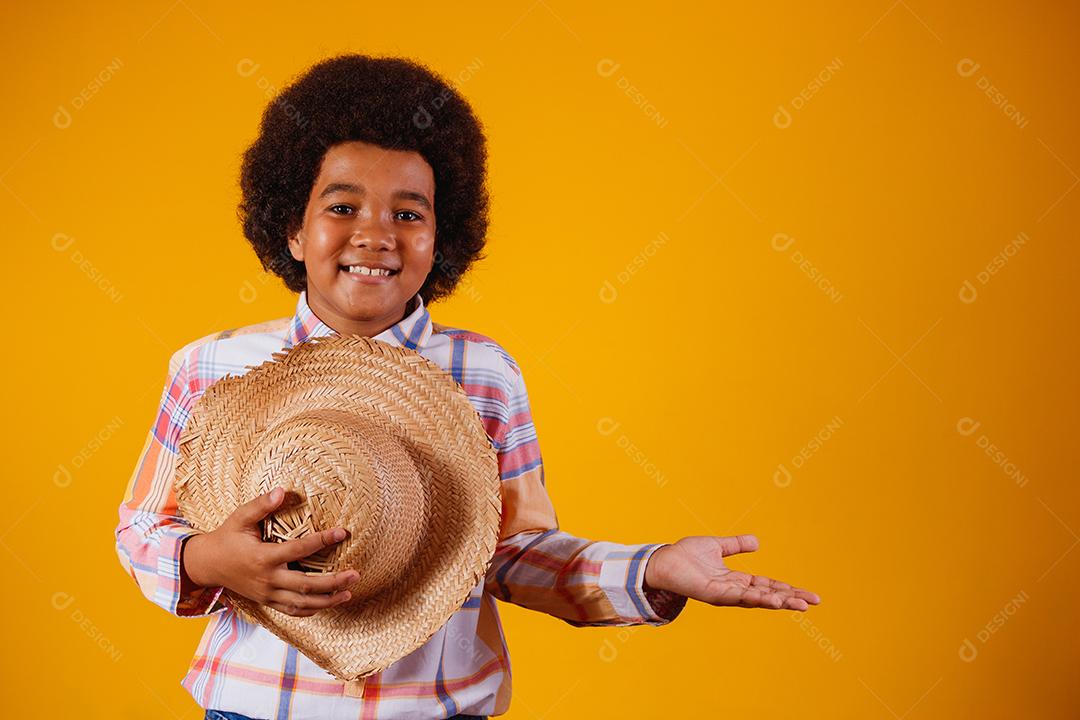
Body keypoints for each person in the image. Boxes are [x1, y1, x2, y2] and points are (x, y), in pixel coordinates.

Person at [114, 53, 821, 720]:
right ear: (291, 229)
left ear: (442, 237)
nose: (375, 234)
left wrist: (655, 569)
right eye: (341, 207)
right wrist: (209, 560)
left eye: (409, 213)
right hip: (256, 705)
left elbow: (512, 551)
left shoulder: (482, 377)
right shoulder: (212, 368)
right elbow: (142, 528)